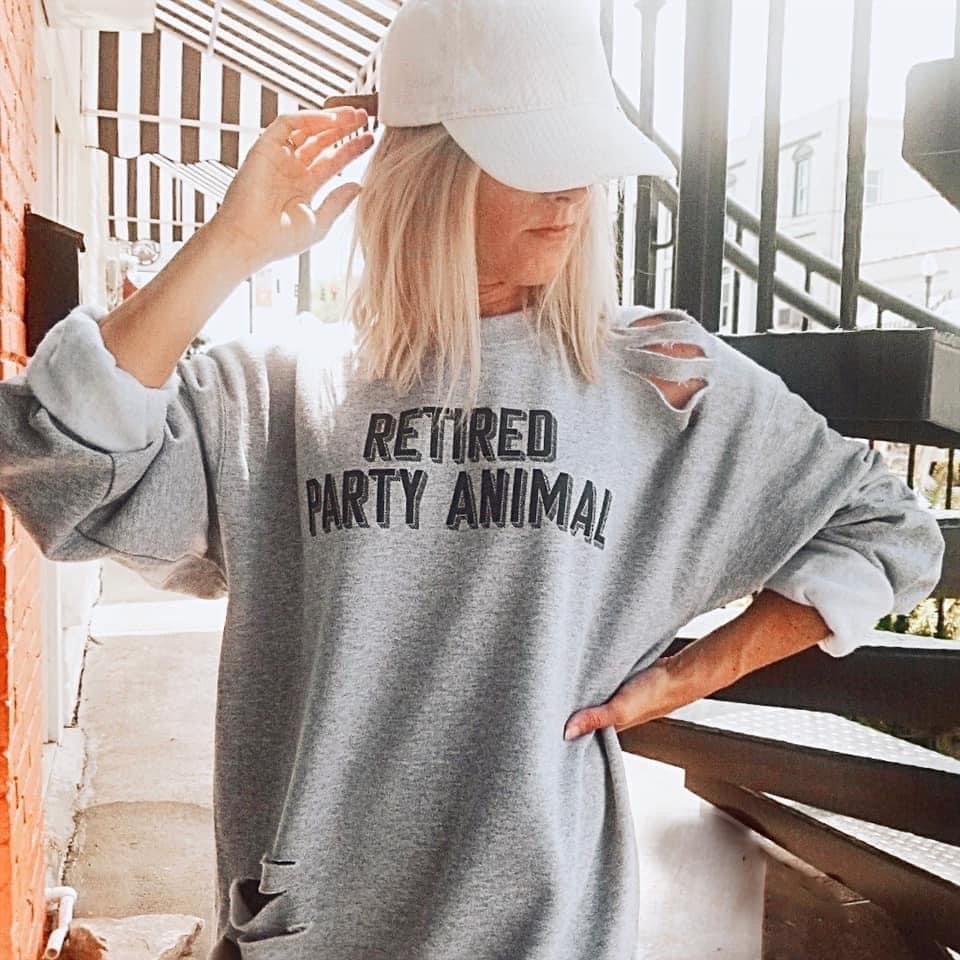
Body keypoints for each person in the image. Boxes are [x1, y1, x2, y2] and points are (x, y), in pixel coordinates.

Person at [0, 1, 945, 958]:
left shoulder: (659, 375)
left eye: (586, 156)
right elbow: (61, 469)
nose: (573, 191)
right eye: (536, 157)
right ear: (426, 169)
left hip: (546, 923)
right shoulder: (278, 389)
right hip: (317, 926)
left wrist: (692, 674)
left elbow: (888, 529)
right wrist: (229, 246)